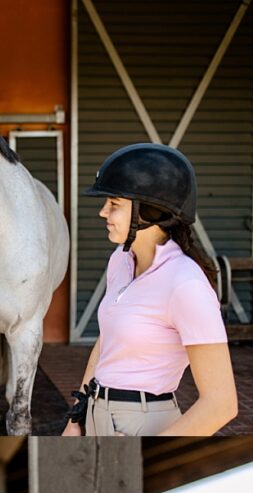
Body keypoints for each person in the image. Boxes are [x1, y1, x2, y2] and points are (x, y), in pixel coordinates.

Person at [63, 144, 234, 437]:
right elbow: (106, 343)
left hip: (144, 424)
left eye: (114, 204)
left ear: (151, 212)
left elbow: (222, 405)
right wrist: (76, 418)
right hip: (95, 413)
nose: (103, 212)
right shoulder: (120, 260)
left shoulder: (185, 283)